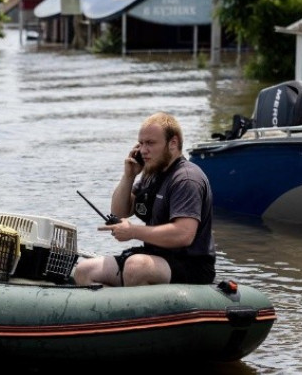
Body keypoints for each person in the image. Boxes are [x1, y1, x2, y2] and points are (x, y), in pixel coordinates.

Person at [74, 112, 215, 287]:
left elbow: (183, 234)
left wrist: (133, 232)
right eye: (140, 144)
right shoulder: (152, 174)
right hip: (154, 255)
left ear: (173, 143)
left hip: (191, 265)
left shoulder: (186, 179)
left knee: (136, 266)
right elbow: (120, 212)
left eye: (150, 143)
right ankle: (116, 310)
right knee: (84, 270)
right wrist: (129, 176)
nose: (143, 150)